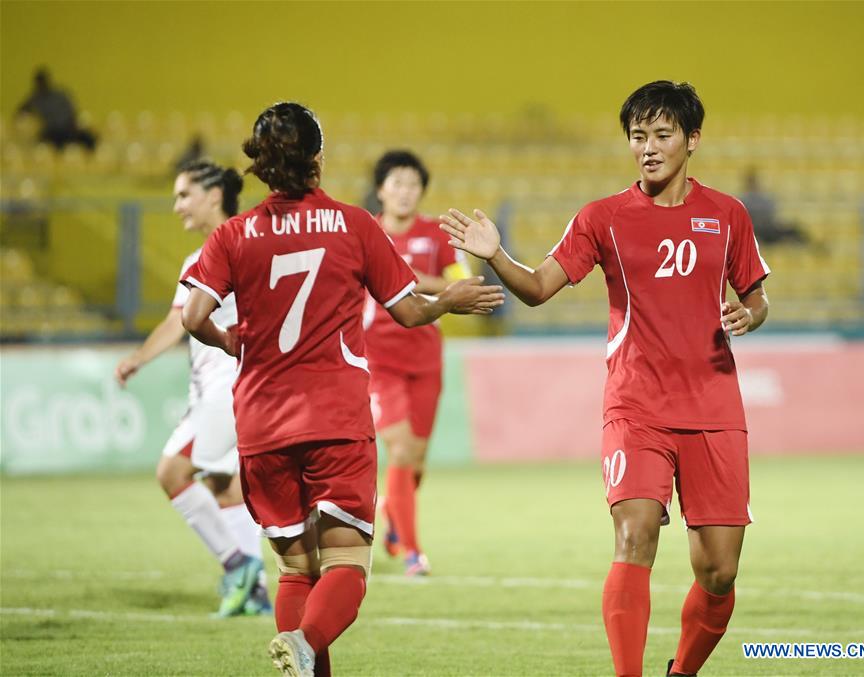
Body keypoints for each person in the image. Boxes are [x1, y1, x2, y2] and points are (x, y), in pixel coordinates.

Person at [440, 81, 770, 677]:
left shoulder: (728, 214)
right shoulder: (604, 217)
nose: (648, 147)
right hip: (635, 405)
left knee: (719, 571)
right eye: (638, 136)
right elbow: (538, 288)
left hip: (715, 406)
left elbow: (756, 297)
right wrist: (496, 255)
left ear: (692, 140)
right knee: (635, 534)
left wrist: (750, 313)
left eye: (662, 135)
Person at [179, 102, 504, 677]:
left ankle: (301, 651)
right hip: (335, 417)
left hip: (260, 420)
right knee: (347, 567)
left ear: (261, 163)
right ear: (318, 159)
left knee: (295, 571)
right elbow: (407, 312)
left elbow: (193, 314)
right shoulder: (355, 225)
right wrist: (449, 300)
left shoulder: (234, 233)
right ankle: (304, 644)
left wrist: (230, 341)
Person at [114, 160, 269, 617]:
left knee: (172, 472)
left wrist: (138, 359)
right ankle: (255, 592)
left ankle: (237, 564)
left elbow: (183, 322)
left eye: (184, 195)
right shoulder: (214, 251)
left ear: (213, 195)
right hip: (217, 390)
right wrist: (139, 358)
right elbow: (176, 322)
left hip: (229, 387)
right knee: (225, 486)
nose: (177, 205)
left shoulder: (242, 244)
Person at [364, 150, 472, 576]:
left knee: (416, 463)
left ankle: (392, 510)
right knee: (403, 450)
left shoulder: (436, 233)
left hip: (426, 356)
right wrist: (426, 282)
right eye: (397, 184)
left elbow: (460, 283)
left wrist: (416, 279)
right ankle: (412, 551)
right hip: (377, 358)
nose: (405, 192)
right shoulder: (366, 232)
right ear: (381, 190)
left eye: (413, 185)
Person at [16, 67, 97, 151]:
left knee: (89, 138)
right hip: (52, 133)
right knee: (40, 146)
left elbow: (73, 111)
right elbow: (21, 110)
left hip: (68, 130)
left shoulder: (60, 95)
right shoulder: (35, 98)